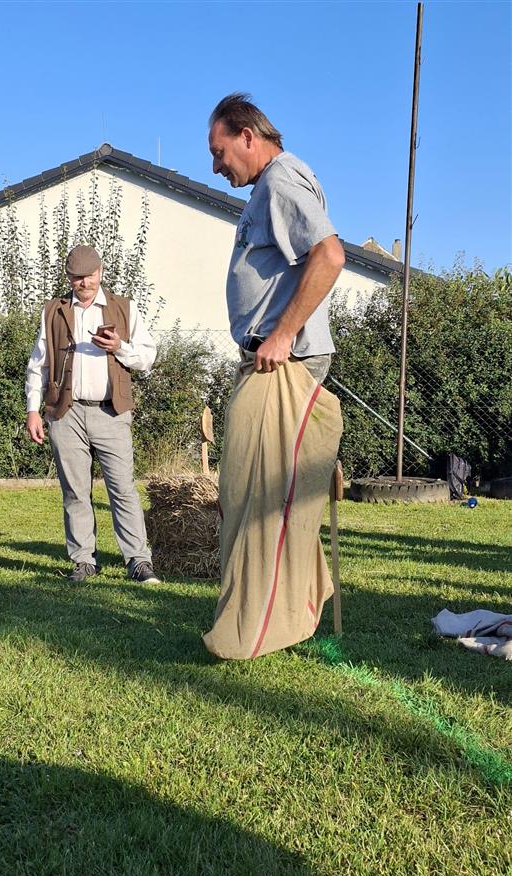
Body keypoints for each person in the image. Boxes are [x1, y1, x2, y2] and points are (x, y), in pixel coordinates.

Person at [202, 93, 344, 659]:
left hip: (281, 364)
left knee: (255, 499)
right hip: (271, 361)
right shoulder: (272, 185)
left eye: (219, 152)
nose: (216, 166)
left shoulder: (281, 180)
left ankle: (258, 625)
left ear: (247, 136)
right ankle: (292, 601)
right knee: (261, 495)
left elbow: (330, 255)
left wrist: (283, 333)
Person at [25, 245, 160, 584]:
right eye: (76, 277)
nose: (83, 283)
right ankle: (84, 560)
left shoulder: (124, 307)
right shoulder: (53, 311)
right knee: (75, 491)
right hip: (66, 413)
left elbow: (147, 357)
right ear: (68, 277)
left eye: (88, 276)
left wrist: (120, 347)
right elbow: (38, 364)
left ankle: (138, 561)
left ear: (100, 272)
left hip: (111, 412)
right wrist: (32, 410)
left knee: (123, 489)